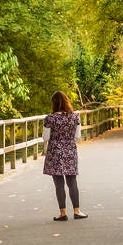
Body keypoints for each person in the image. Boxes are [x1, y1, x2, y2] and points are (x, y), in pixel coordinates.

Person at [42, 91, 87, 221]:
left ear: (54, 104)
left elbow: (46, 138)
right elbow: (77, 137)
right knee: (72, 181)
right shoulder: (75, 117)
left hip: (55, 152)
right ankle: (77, 211)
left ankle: (63, 213)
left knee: (59, 184)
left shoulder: (50, 118)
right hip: (70, 151)